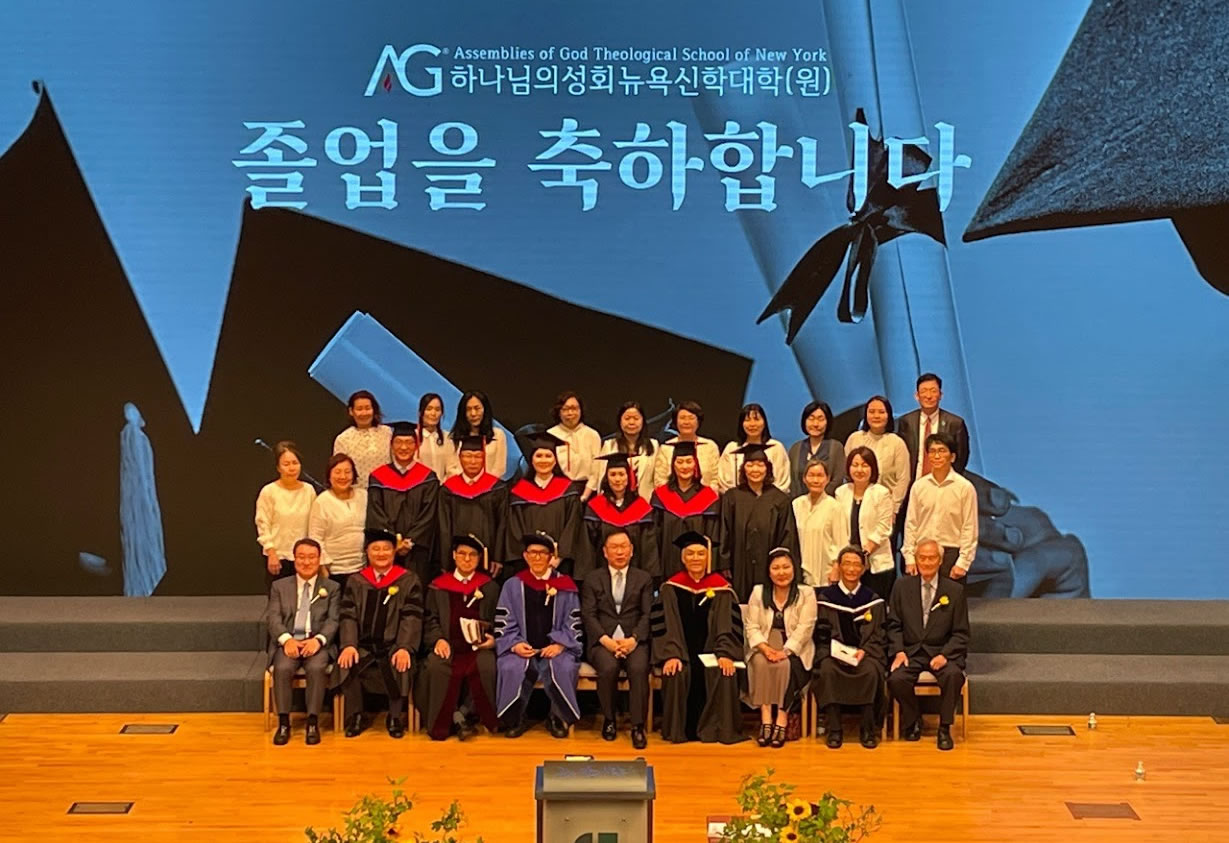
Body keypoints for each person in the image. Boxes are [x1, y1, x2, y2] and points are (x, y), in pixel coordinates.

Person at [652, 531, 744, 744]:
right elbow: (665, 625)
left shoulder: (722, 589)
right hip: (681, 653)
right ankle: (678, 731)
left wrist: (725, 653)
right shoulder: (670, 589)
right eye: (690, 554)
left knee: (724, 671)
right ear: (683, 558)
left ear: (708, 557)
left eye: (701, 554)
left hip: (713, 653)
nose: (695, 558)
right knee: (676, 672)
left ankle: (718, 730)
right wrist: (671, 654)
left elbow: (728, 625)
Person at [336, 528, 424, 739]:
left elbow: (412, 617)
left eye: (386, 549)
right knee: (347, 661)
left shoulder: (408, 580)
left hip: (393, 645)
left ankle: (394, 716)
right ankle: (356, 715)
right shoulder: (356, 581)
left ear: (394, 552)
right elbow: (348, 616)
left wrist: (404, 647)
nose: (381, 553)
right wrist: (349, 644)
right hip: (363, 646)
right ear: (367, 552)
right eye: (376, 549)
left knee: (402, 661)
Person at [495, 532, 583, 739]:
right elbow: (503, 622)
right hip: (521, 647)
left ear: (551, 557)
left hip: (555, 648)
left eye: (542, 553)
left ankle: (556, 717)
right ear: (525, 556)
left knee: (564, 667)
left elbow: (573, 622)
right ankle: (517, 718)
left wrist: (560, 644)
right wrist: (515, 644)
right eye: (532, 552)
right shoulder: (512, 585)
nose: (537, 557)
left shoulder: (565, 585)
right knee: (510, 666)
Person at [886, 539, 970, 751]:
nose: (926, 562)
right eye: (922, 558)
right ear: (915, 559)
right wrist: (899, 651)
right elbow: (893, 625)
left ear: (940, 561)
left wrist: (945, 655)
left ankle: (944, 728)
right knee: (896, 679)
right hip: (911, 652)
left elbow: (961, 633)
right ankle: (913, 719)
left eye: (932, 558)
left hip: (942, 652)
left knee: (953, 676)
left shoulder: (954, 591)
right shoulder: (901, 586)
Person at [418, 534, 499, 741]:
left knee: (487, 666)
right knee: (436, 667)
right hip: (448, 646)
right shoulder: (438, 586)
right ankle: (452, 720)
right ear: (454, 555)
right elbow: (430, 618)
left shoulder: (489, 587)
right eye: (462, 554)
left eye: (473, 555)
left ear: (479, 559)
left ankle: (462, 714)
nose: (467, 559)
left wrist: (492, 640)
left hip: (477, 648)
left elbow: (498, 620)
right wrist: (438, 639)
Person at [580, 530, 653, 749]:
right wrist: (606, 640)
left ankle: (637, 726)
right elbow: (588, 615)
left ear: (631, 550)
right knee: (608, 667)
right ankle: (609, 720)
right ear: (605, 552)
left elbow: (647, 614)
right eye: (614, 547)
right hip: (603, 641)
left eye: (624, 547)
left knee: (639, 668)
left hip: (634, 640)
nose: (619, 552)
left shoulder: (644, 578)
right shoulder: (592, 579)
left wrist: (634, 639)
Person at [265, 538, 341, 746]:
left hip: (316, 643)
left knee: (316, 668)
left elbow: (334, 620)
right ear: (294, 558)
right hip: (289, 641)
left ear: (319, 559)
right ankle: (283, 723)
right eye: (301, 557)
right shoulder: (279, 586)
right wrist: (286, 640)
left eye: (311, 557)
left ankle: (313, 722)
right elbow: (273, 618)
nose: (306, 562)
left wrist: (318, 640)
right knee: (282, 668)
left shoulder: (332, 588)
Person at [813, 546, 888, 749]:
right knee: (827, 670)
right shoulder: (827, 599)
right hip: (834, 655)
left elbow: (878, 634)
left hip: (865, 654)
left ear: (863, 569)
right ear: (839, 566)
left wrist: (865, 650)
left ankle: (868, 729)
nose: (852, 569)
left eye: (856, 564)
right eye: (847, 563)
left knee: (871, 671)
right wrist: (837, 651)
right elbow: (822, 634)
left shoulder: (872, 600)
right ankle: (834, 729)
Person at [744, 548, 816, 748]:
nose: (781, 572)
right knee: (760, 663)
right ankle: (766, 719)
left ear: (794, 568)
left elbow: (805, 628)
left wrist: (785, 651)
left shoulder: (806, 593)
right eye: (776, 568)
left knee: (786, 666)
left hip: (795, 647)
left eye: (786, 567)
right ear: (768, 571)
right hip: (764, 643)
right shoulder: (759, 592)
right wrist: (765, 649)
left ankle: (781, 720)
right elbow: (751, 626)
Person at [502, 431, 588, 580]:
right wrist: (530, 558)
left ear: (555, 460)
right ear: (531, 460)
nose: (543, 460)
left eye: (548, 456)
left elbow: (572, 526)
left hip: (559, 563)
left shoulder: (568, 491)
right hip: (527, 563)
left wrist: (559, 556)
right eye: (539, 456)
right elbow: (514, 529)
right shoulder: (519, 492)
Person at [718, 444, 798, 601]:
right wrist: (724, 564)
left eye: (760, 465)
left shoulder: (780, 499)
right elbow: (723, 532)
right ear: (743, 469)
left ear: (768, 468)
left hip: (768, 568)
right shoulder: (732, 497)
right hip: (739, 566)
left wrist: (780, 567)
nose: (755, 470)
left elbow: (787, 537)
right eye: (750, 465)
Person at [366, 421, 441, 586]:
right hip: (386, 551)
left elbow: (429, 514)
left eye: (409, 442)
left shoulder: (428, 478)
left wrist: (410, 541)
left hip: (418, 550)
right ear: (391, 446)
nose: (404, 447)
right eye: (399, 442)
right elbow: (376, 512)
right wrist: (393, 541)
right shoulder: (378, 477)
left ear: (416, 446)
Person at [902, 433, 979, 580]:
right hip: (923, 553)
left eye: (942, 451)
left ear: (952, 457)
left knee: (950, 595)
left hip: (952, 553)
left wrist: (963, 562)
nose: (936, 456)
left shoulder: (965, 487)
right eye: (932, 451)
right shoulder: (919, 486)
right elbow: (911, 524)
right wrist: (909, 557)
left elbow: (969, 527)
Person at [437, 435, 508, 577]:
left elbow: (502, 525)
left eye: (478, 456)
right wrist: (445, 561)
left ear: (484, 458)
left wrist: (498, 557)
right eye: (468, 456)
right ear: (460, 458)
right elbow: (444, 527)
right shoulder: (448, 489)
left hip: (488, 557)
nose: (473, 461)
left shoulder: (497, 488)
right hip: (456, 559)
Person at [650, 441, 721, 579]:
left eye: (689, 461)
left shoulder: (708, 497)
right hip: (668, 564)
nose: (684, 467)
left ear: (696, 464)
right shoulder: (661, 495)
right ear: (673, 465)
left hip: (699, 568)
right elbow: (655, 536)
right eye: (680, 462)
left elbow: (713, 536)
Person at [832, 448, 896, 599]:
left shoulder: (881, 493)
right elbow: (838, 527)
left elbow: (884, 526)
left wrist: (864, 553)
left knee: (874, 606)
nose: (859, 470)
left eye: (865, 465)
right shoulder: (841, 492)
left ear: (872, 468)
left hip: (876, 563)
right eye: (855, 465)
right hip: (848, 564)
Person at [585, 453, 660, 578]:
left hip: (636, 578)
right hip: (602, 576)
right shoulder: (595, 507)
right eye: (613, 474)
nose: (617, 479)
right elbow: (587, 548)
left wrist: (649, 578)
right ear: (606, 478)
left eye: (621, 474)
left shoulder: (641, 507)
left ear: (629, 477)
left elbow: (649, 549)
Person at [255, 440, 317, 582]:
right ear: (278, 467)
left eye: (295, 463)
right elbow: (263, 524)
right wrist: (271, 553)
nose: (291, 468)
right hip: (277, 557)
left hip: (303, 559)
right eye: (286, 464)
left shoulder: (308, 490)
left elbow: (314, 524)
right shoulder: (269, 491)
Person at [896, 373, 971, 481]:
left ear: (941, 395)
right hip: (913, 484)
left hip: (944, 483)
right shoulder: (906, 422)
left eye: (933, 391)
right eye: (924, 391)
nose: (928, 396)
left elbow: (961, 457)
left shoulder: (955, 423)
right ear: (917, 396)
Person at [844, 395, 910, 518]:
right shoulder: (854, 438)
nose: (876, 416)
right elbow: (846, 473)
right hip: (856, 504)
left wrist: (894, 508)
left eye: (881, 412)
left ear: (889, 415)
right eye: (872, 412)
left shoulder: (897, 442)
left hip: (886, 508)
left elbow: (903, 478)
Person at [308, 453, 368, 587]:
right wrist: (322, 568)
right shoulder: (322, 502)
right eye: (337, 472)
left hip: (362, 568)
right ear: (329, 475)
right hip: (334, 571)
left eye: (347, 472)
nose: (343, 476)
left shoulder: (364, 496)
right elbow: (315, 538)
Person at [585, 401, 658, 501]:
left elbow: (657, 479)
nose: (631, 422)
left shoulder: (654, 445)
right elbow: (599, 476)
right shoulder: (609, 445)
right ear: (620, 421)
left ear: (643, 421)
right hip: (615, 503)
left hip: (645, 503)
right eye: (627, 418)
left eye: (636, 418)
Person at [717, 403, 791, 493]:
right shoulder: (732, 448)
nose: (752, 424)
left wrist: (767, 498)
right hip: (737, 499)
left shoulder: (776, 447)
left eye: (756, 419)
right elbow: (724, 481)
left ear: (764, 422)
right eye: (747, 420)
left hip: (771, 499)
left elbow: (782, 481)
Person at [792, 460, 842, 586]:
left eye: (820, 476)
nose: (815, 480)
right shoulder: (796, 504)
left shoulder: (835, 507)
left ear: (827, 479)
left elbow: (841, 542)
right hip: (799, 570)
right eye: (811, 475)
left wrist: (836, 568)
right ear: (804, 479)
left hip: (825, 572)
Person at [652, 400, 721, 489]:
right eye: (682, 418)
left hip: (706, 496)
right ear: (676, 421)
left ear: (698, 421)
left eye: (691, 418)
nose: (686, 422)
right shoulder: (666, 447)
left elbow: (715, 480)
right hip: (670, 496)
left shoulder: (709, 446)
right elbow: (659, 481)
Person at [332, 390, 393, 489]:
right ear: (351, 411)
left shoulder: (387, 432)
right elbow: (339, 471)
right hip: (357, 493)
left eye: (367, 408)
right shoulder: (343, 439)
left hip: (387, 491)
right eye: (359, 409)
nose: (364, 413)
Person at [787, 400, 845, 496]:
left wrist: (817, 499)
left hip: (827, 501)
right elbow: (793, 481)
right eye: (811, 418)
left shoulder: (836, 447)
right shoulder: (796, 448)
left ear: (828, 422)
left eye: (820, 419)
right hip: (799, 502)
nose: (815, 424)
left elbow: (837, 480)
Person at [546, 390, 602, 489]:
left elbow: (597, 469)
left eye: (574, 408)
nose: (570, 413)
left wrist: (585, 495)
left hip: (587, 488)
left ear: (581, 410)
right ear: (558, 412)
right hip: (557, 489)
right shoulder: (550, 435)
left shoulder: (592, 435)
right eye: (565, 409)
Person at [449, 390, 508, 478]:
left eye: (477, 408)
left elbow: (499, 468)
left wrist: (481, 482)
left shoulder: (498, 435)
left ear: (485, 410)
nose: (473, 414)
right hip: (459, 484)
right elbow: (450, 468)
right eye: (468, 409)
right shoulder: (453, 437)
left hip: (489, 484)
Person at [416, 392, 461, 482]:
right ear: (421, 412)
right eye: (429, 409)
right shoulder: (413, 437)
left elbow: (452, 468)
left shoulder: (447, 439)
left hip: (442, 488)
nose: (433, 413)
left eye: (437, 409)